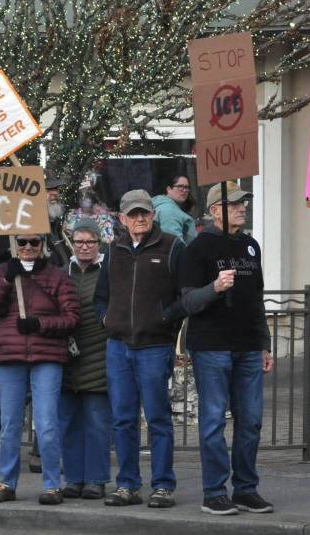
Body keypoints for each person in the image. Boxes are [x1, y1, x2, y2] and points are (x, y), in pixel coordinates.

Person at [172, 182, 275, 515]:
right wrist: (214, 287)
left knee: (251, 421)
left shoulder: (250, 246)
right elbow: (187, 300)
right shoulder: (197, 249)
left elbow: (256, 299)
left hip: (247, 346)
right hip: (212, 346)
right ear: (216, 210)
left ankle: (245, 488)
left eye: (245, 202)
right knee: (214, 420)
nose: (243, 207)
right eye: (235, 203)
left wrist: (264, 343)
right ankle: (214, 491)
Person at [94, 189, 184, 509]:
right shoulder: (113, 249)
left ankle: (162, 486)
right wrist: (106, 319)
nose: (139, 218)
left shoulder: (173, 246)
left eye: (144, 212)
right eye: (132, 214)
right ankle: (128, 484)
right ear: (122, 219)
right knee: (123, 419)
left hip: (154, 347)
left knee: (158, 418)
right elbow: (100, 295)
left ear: (153, 214)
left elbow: (183, 296)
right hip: (118, 346)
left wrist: (165, 320)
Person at [0, 232, 79, 505]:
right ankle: (6, 482)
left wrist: (40, 325)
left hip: (46, 356)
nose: (27, 247)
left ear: (42, 245)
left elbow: (72, 318)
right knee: (9, 424)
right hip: (11, 356)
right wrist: (4, 280)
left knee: (47, 424)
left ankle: (51, 484)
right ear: (13, 244)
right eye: (21, 242)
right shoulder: (1, 272)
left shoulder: (57, 276)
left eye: (33, 242)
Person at [60, 219, 111, 500]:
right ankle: (73, 478)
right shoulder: (62, 272)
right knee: (68, 423)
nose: (84, 247)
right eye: (79, 242)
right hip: (67, 358)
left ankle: (96, 479)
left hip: (99, 356)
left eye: (90, 242)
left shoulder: (107, 271)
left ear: (98, 243)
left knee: (97, 423)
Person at [152, 175, 196, 244]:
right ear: (169, 189)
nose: (184, 190)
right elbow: (174, 245)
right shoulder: (169, 211)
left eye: (187, 187)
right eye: (180, 187)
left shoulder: (163, 206)